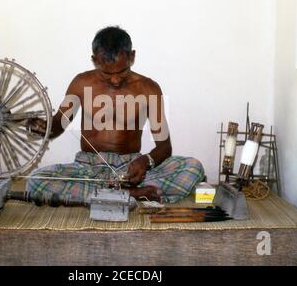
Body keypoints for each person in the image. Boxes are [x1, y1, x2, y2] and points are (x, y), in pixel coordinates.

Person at [25, 26, 204, 203]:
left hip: (131, 169)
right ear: (95, 60)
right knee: (36, 181)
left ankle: (108, 193)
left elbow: (165, 147)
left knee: (193, 167)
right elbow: (58, 125)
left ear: (131, 57)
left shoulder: (149, 89)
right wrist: (43, 127)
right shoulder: (81, 83)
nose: (115, 79)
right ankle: (130, 194)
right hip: (88, 167)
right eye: (106, 73)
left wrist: (145, 162)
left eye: (122, 71)